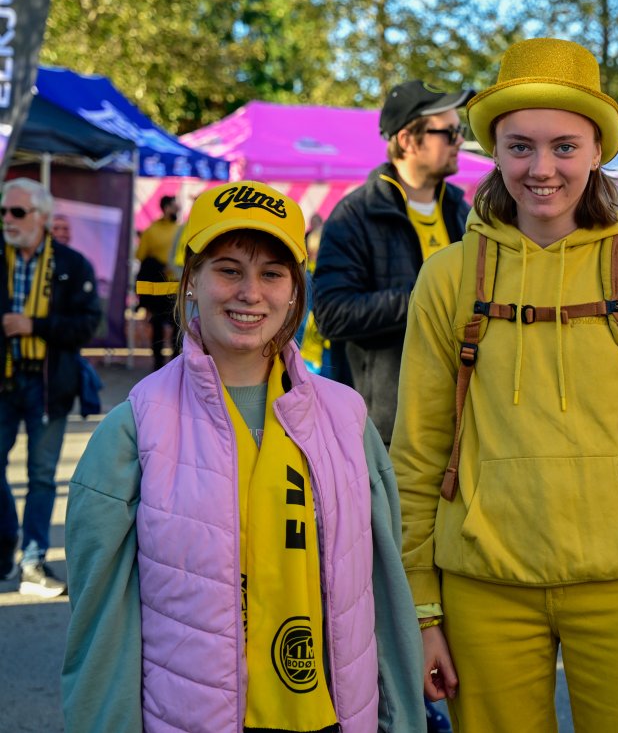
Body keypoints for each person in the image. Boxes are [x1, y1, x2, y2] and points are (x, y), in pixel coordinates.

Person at [391, 37, 618, 732]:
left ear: (598, 149)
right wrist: (421, 606)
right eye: (520, 147)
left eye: (564, 146)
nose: (541, 168)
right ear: (495, 150)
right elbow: (418, 455)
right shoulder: (449, 278)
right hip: (482, 590)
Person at [61, 181, 425, 732]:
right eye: (228, 269)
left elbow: (381, 595)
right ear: (191, 282)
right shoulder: (135, 427)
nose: (251, 292)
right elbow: (99, 626)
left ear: (296, 289)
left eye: (272, 273)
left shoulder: (346, 418)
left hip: (331, 717)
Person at [313, 79, 476, 433]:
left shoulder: (463, 213)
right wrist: (426, 300)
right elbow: (331, 314)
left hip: (462, 417)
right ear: (406, 140)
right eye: (449, 132)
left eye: (459, 130)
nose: (460, 140)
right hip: (386, 427)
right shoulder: (354, 215)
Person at [1, 178, 101, 596]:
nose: (7, 220)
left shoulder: (72, 264)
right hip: (4, 381)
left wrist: (34, 326)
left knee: (42, 477)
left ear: (41, 217)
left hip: (48, 384)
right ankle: (7, 545)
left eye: (17, 212)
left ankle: (33, 561)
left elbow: (86, 325)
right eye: (4, 212)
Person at [136, 195, 181, 370]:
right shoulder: (152, 230)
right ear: (166, 207)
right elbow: (140, 256)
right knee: (159, 327)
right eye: (174, 206)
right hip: (159, 289)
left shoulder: (180, 230)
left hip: (176, 287)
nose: (177, 209)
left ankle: (176, 365)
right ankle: (158, 366)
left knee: (178, 328)